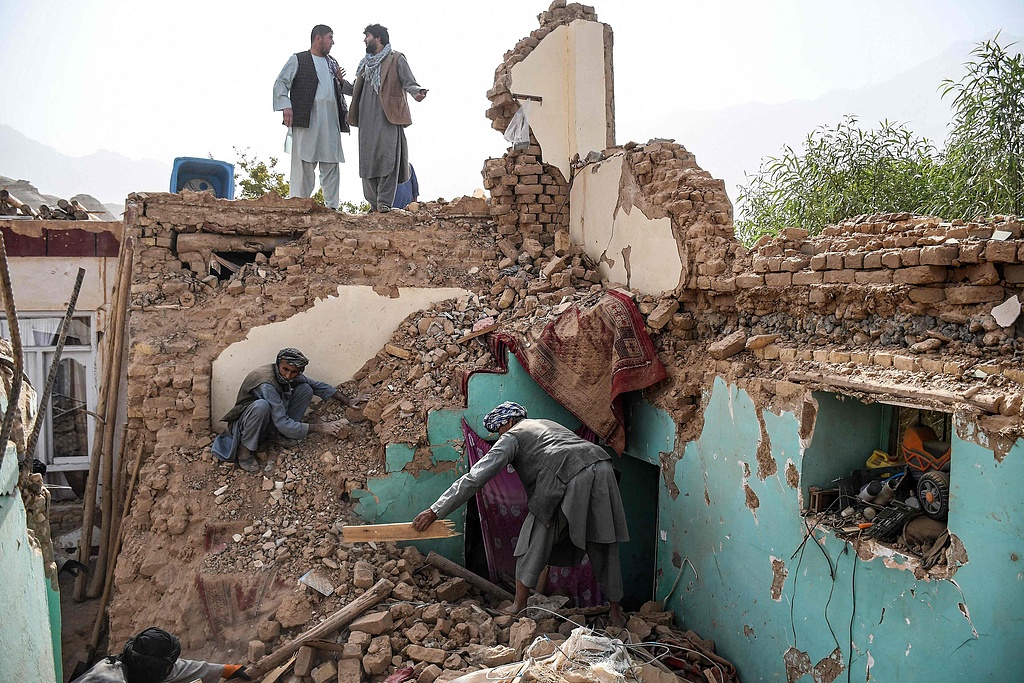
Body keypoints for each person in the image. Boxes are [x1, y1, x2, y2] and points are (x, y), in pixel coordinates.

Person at [413, 402, 629, 625]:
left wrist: (435, 510)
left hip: (567, 473)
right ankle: (615, 613)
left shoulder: (512, 436)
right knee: (603, 541)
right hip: (603, 466)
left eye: (498, 430)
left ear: (507, 422)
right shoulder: (546, 424)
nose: (499, 435)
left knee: (531, 539)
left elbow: (475, 478)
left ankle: (518, 606)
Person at [212, 348, 366, 473]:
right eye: (285, 369)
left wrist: (347, 400)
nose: (288, 375)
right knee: (261, 406)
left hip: (269, 422)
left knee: (306, 389)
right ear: (279, 363)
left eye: (294, 372)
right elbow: (281, 421)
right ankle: (244, 452)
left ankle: (278, 436)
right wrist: (319, 427)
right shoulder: (267, 383)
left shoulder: (291, 376)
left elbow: (317, 386)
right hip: (245, 424)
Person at [348, 24, 427, 213]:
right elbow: (354, 90)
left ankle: (384, 203)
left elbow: (409, 82)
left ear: (378, 38)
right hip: (366, 119)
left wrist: (417, 93)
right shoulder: (364, 65)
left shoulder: (396, 59)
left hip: (388, 117)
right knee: (368, 162)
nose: (364, 40)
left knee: (387, 159)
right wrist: (339, 82)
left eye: (367, 36)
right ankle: (373, 203)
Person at [273, 24, 351, 210]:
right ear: (318, 38)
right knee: (304, 164)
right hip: (307, 120)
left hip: (330, 121)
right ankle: (299, 205)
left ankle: (332, 207)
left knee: (331, 163)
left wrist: (340, 81)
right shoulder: (298, 59)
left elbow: (343, 89)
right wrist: (286, 106)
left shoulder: (332, 63)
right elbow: (281, 83)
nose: (332, 42)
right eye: (330, 38)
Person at [73, 626, 248, 682]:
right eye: (166, 667)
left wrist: (227, 669)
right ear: (152, 669)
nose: (170, 670)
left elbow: (178, 669)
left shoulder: (132, 663)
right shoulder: (111, 679)